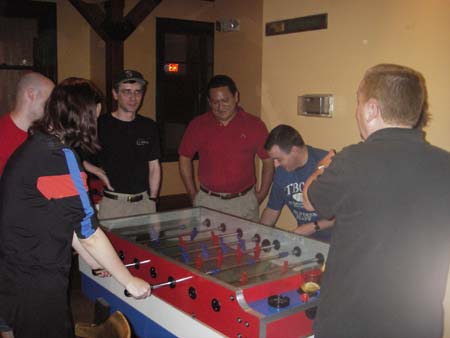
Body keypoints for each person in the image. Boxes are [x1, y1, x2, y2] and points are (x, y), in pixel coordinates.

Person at [303, 64, 450, 338]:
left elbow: (310, 202)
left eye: (358, 103)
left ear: (371, 109)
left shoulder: (351, 161)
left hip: (353, 326)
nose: (356, 112)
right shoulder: (446, 165)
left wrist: (322, 167)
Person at [0, 78, 151, 338]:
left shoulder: (35, 145)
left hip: (11, 276)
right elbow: (89, 234)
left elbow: (63, 220)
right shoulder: (59, 158)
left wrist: (94, 261)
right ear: (82, 117)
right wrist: (129, 281)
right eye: (94, 117)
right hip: (36, 283)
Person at [178, 75, 273, 222]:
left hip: (244, 202)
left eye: (225, 101)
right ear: (209, 102)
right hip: (208, 201)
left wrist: (261, 194)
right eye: (215, 102)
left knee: (245, 245)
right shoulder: (198, 125)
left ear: (236, 97)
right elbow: (184, 157)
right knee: (206, 245)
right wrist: (192, 194)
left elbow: (268, 161)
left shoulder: (255, 125)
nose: (220, 107)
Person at [94, 70, 161, 219]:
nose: (133, 98)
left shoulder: (149, 126)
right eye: (127, 92)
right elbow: (77, 156)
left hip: (144, 203)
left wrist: (153, 200)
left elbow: (154, 166)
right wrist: (98, 172)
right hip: (113, 203)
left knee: (145, 243)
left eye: (138, 92)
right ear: (115, 94)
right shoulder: (100, 125)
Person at [260, 125, 334, 241]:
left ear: (294, 151)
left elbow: (346, 213)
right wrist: (260, 236)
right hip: (306, 241)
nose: (275, 165)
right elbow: (272, 210)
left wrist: (312, 227)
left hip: (335, 241)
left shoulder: (326, 165)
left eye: (278, 159)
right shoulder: (281, 172)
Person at [0, 72, 54, 176]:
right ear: (31, 94)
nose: (53, 107)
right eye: (49, 100)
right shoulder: (3, 136)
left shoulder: (44, 133)